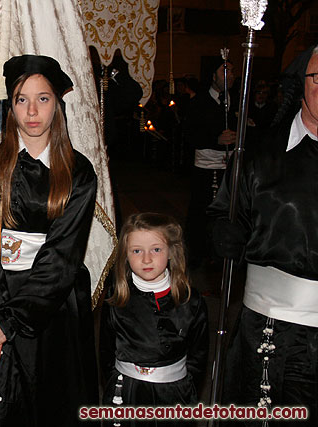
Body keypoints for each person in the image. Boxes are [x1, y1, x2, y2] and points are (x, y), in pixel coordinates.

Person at [0, 54, 98, 426]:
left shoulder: (78, 171)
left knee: (49, 400)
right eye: (22, 99)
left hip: (49, 300)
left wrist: (13, 319)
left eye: (43, 98)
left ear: (58, 104)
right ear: (10, 104)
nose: (32, 111)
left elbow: (63, 254)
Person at [208, 44, 318, 426]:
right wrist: (223, 231)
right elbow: (224, 212)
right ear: (300, 84)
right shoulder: (259, 154)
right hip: (271, 332)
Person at [100, 213, 208, 424]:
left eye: (156, 249)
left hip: (174, 395)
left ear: (171, 252)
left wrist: (186, 390)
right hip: (127, 394)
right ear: (125, 255)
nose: (146, 259)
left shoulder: (190, 301)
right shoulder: (116, 298)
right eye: (137, 251)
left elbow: (199, 355)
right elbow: (105, 351)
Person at [183, 55, 237, 268]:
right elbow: (190, 134)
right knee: (202, 209)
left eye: (232, 71)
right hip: (206, 166)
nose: (230, 75)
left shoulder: (238, 100)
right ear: (213, 76)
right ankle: (198, 253)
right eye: (225, 71)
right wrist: (215, 139)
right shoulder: (199, 102)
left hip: (230, 164)